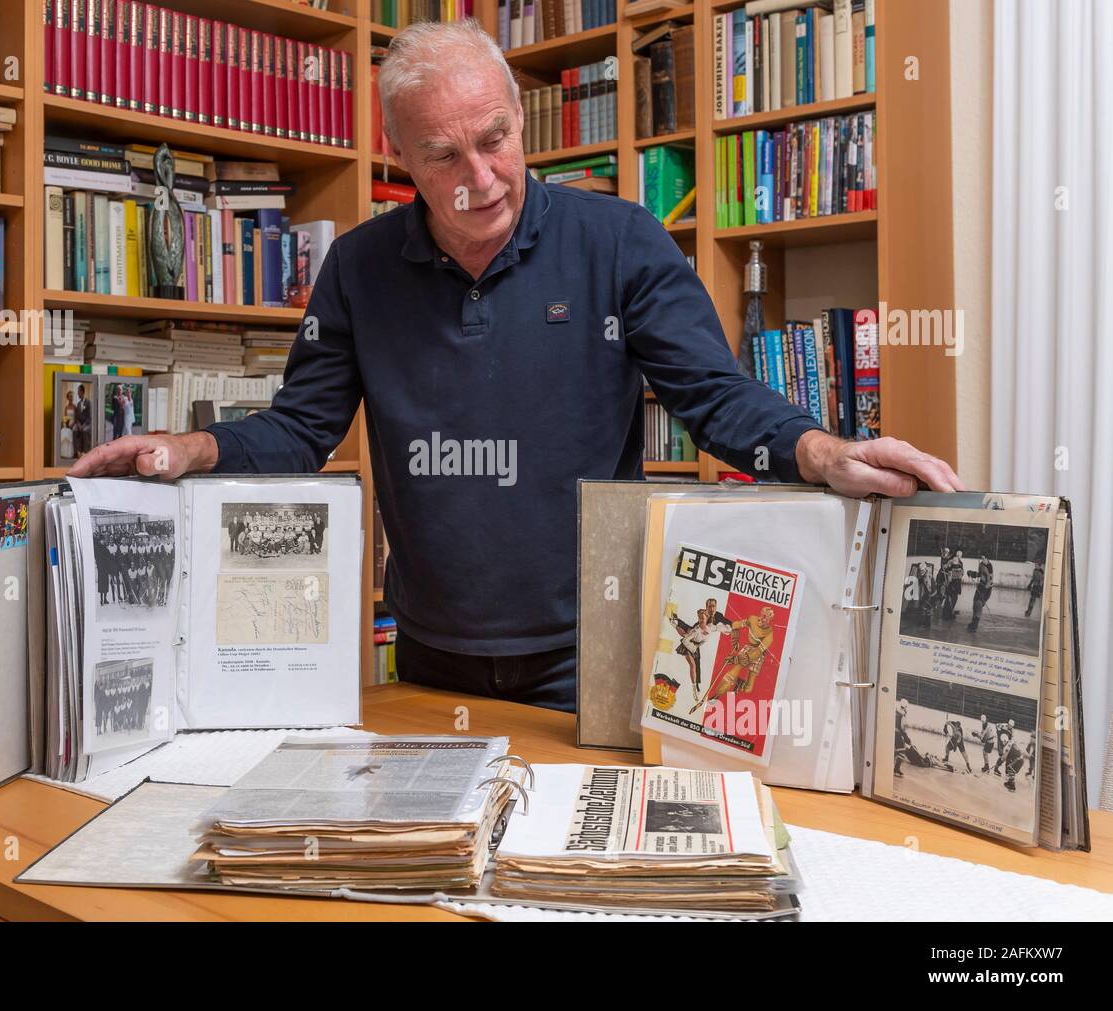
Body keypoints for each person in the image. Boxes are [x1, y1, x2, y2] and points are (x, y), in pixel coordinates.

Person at [66, 20, 964, 712]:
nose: (482, 177)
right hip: (426, 650)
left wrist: (816, 451)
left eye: (495, 137)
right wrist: (192, 452)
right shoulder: (359, 267)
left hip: (593, 647)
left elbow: (713, 395)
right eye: (443, 155)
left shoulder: (620, 242)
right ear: (400, 161)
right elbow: (302, 429)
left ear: (519, 117)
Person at [966, 554, 994, 633]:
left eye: (983, 558)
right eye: (981, 558)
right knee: (975, 603)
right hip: (981, 586)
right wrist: (972, 573)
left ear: (987, 558)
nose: (982, 560)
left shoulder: (989, 567)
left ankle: (975, 625)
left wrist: (984, 591)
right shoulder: (982, 565)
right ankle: (973, 621)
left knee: (978, 604)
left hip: (986, 588)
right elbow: (980, 574)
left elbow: (989, 581)